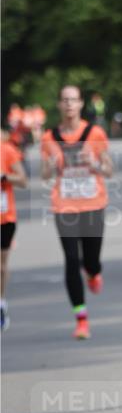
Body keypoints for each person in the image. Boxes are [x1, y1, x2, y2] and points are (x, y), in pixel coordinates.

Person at [41, 86, 113, 340]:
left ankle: (93, 273)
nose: (69, 104)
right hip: (64, 205)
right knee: (71, 259)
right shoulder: (49, 137)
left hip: (93, 204)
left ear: (81, 104)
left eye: (73, 100)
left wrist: (93, 162)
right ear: (59, 105)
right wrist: (52, 166)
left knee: (90, 260)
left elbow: (108, 170)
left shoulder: (95, 133)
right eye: (65, 100)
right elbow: (45, 175)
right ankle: (81, 319)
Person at [1, 129, 28, 330]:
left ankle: (1, 302)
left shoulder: (7, 150)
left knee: (1, 266)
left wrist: (4, 177)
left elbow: (23, 180)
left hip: (4, 218)